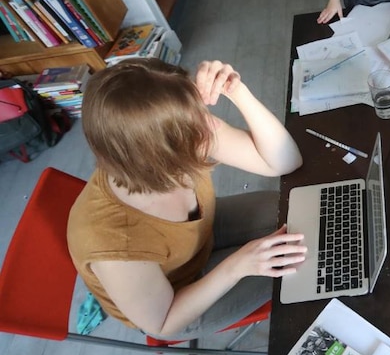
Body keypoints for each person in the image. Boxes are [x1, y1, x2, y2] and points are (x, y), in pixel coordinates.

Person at [67, 58, 306, 340]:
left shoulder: (175, 134)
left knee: (299, 210)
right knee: (303, 263)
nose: (208, 126)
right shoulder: (114, 241)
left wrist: (238, 92)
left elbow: (284, 162)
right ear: (161, 151)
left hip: (200, 238)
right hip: (180, 303)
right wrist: (237, 265)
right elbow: (164, 324)